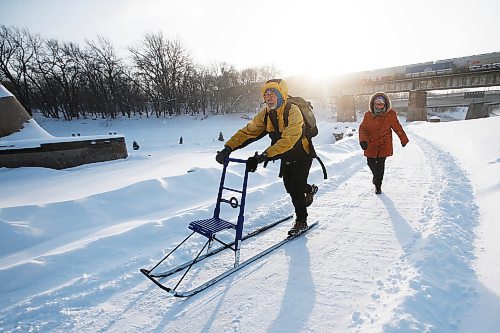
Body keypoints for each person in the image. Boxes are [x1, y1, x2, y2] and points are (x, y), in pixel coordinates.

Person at [215, 79, 318, 236]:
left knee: (296, 188)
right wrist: (228, 148)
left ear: (281, 94)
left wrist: (263, 156)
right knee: (290, 187)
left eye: (272, 94)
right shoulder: (266, 114)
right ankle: (310, 190)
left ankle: (301, 221)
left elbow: (289, 139)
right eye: (266, 94)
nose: (268, 98)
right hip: (284, 155)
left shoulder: (293, 110)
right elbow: (248, 132)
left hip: (302, 154)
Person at [358, 92, 409, 194]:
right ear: (373, 104)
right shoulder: (368, 115)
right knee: (370, 163)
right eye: (377, 103)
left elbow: (397, 128)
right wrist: (363, 140)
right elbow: (363, 128)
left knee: (380, 165)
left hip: (384, 144)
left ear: (385, 104)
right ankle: (376, 178)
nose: (379, 105)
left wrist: (403, 139)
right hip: (371, 144)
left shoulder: (390, 115)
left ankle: (378, 185)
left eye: (381, 103)